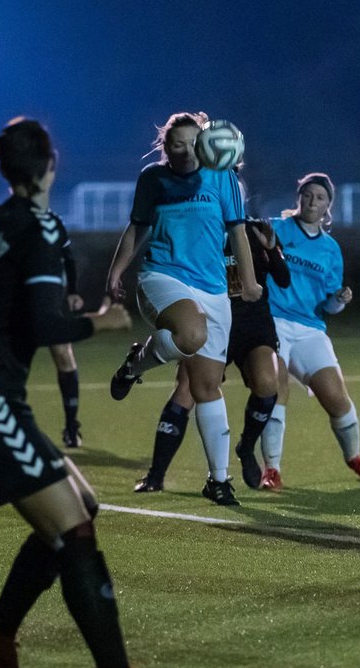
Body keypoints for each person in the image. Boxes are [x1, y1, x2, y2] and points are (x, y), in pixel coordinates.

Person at [0, 117, 188, 668]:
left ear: (5, 169)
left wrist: (55, 302)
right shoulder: (39, 225)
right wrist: (99, 321)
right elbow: (47, 325)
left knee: (82, 508)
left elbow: (13, 306)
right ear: (51, 164)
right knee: (73, 529)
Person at [106, 112, 261, 507]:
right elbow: (138, 227)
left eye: (194, 142)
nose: (187, 150)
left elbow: (237, 230)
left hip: (212, 287)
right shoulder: (153, 180)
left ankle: (218, 480)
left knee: (206, 387)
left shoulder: (221, 176)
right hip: (162, 277)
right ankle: (136, 366)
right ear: (166, 148)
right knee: (191, 334)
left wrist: (249, 280)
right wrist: (117, 270)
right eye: (177, 143)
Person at [133, 214, 291, 493]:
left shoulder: (254, 230)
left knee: (268, 384)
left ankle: (246, 447)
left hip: (253, 324)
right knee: (186, 388)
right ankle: (155, 475)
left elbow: (284, 279)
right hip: (214, 319)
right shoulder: (199, 229)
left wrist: (271, 247)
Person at [260, 173, 360, 490]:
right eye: (308, 195)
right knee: (277, 390)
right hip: (272, 320)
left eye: (320, 197)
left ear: (329, 206)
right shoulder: (276, 228)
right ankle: (271, 469)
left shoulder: (330, 249)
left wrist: (339, 300)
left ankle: (354, 457)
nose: (313, 201)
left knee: (337, 399)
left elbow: (329, 306)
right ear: (298, 198)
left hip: (310, 328)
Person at [50, 240, 86, 448]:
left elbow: (69, 258)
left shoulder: (53, 223)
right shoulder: (11, 222)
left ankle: (71, 427)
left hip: (49, 304)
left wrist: (73, 291)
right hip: (17, 302)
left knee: (64, 355)